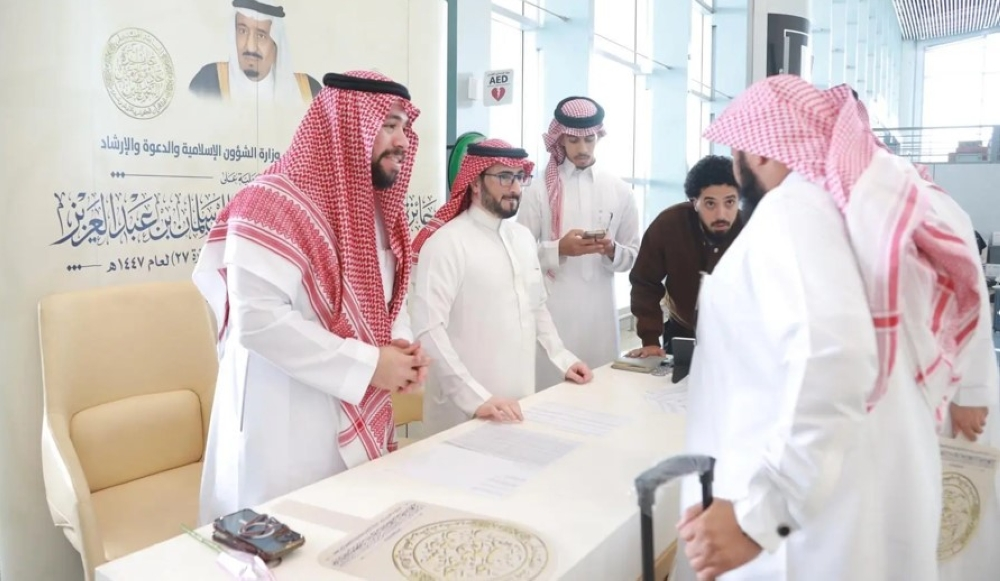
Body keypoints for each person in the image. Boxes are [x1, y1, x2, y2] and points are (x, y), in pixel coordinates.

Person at [672, 75, 998, 581]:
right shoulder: (848, 213)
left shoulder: (794, 211)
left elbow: (833, 354)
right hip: (850, 497)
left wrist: (760, 516)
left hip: (808, 527)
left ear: (758, 151)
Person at [192, 70, 429, 525]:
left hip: (354, 400)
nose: (402, 140)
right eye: (389, 124)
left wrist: (398, 344)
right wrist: (369, 364)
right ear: (348, 126)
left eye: (405, 127)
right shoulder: (268, 202)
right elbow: (258, 321)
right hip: (281, 418)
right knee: (283, 544)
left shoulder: (382, 214)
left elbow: (392, 297)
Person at [411, 139, 593, 436]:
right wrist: (475, 398)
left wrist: (564, 359)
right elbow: (428, 329)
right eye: (504, 177)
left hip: (518, 404)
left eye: (519, 177)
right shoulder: (447, 243)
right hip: (464, 411)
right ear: (474, 183)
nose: (515, 188)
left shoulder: (521, 238)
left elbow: (536, 307)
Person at [517, 96, 640, 389]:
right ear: (560, 140)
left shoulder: (620, 190)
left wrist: (611, 250)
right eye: (573, 141)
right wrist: (559, 249)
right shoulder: (538, 192)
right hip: (553, 317)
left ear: (599, 136)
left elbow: (634, 256)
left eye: (589, 139)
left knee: (602, 395)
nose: (582, 148)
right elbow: (517, 253)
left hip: (601, 319)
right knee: (550, 399)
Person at [627, 155, 743, 357]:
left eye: (730, 202)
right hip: (683, 332)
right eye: (710, 203)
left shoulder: (753, 229)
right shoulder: (669, 225)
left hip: (739, 337)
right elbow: (645, 282)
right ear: (694, 202)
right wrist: (650, 340)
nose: (721, 214)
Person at [189, 0, 321, 103]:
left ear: (276, 44)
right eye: (242, 31)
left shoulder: (308, 92)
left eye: (261, 35)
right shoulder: (207, 82)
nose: (251, 47)